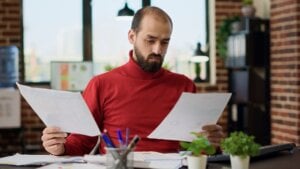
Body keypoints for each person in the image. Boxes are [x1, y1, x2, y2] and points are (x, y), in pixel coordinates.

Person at [41, 6, 224, 156]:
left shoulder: (184, 85)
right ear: (132, 37)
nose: (158, 50)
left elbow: (193, 147)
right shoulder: (101, 84)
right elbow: (82, 142)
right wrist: (60, 148)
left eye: (164, 42)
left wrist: (211, 144)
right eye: (150, 40)